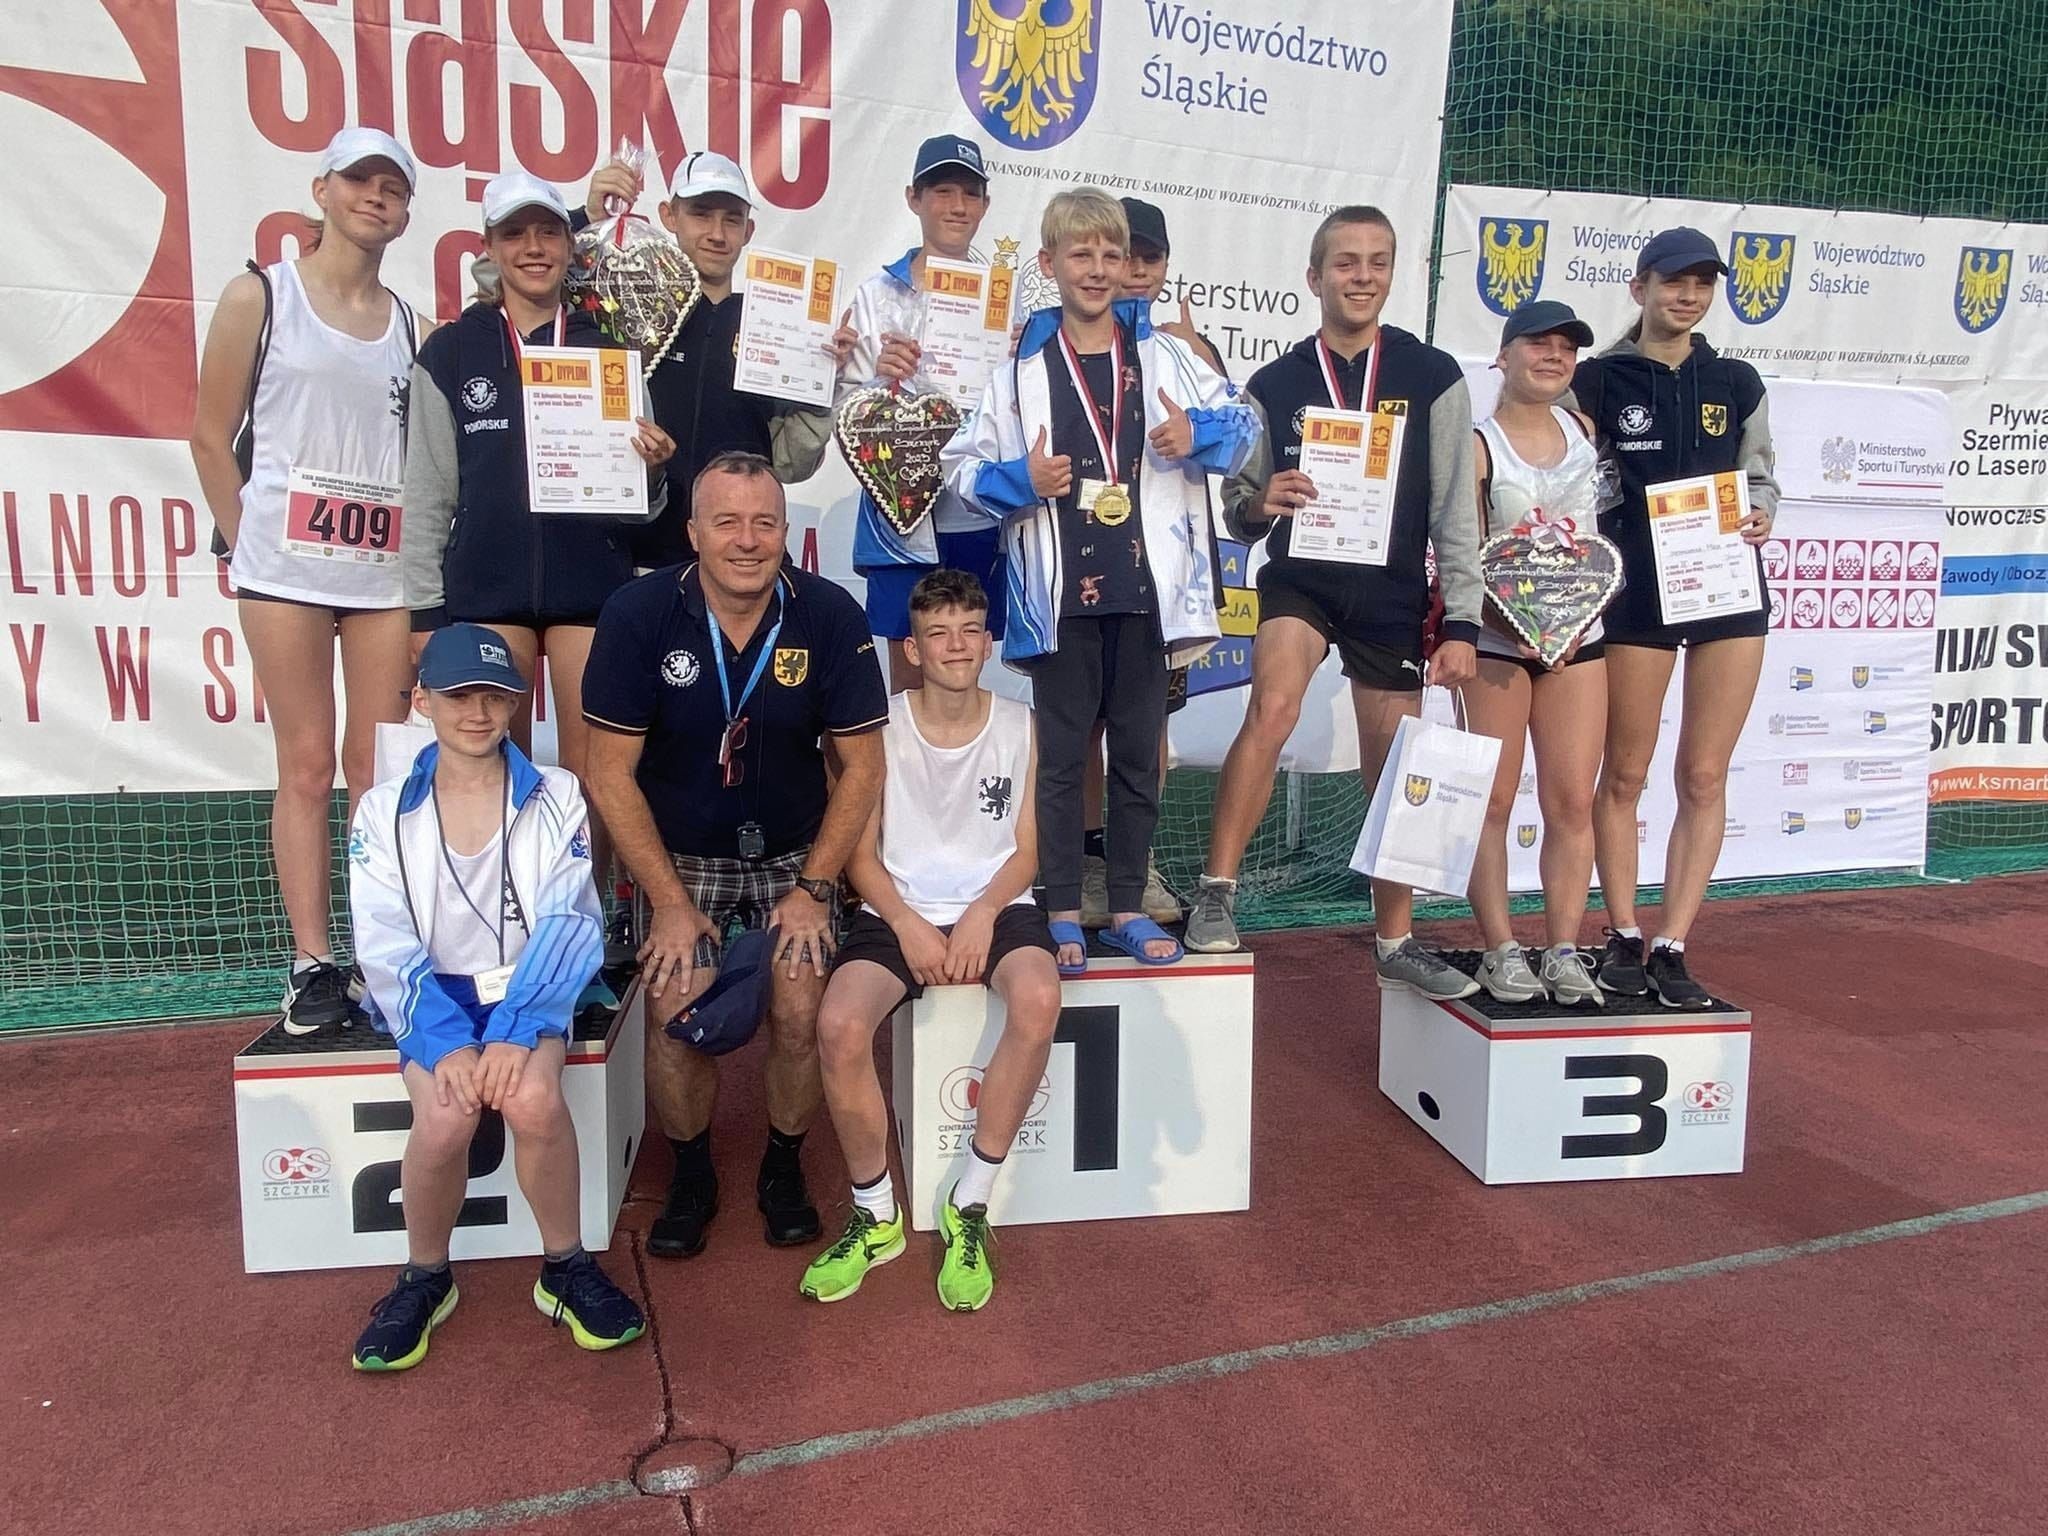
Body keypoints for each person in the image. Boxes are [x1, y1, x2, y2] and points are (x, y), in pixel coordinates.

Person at [943, 187, 1259, 976]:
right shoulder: (1020, 370)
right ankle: (1059, 909)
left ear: (1127, 266)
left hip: (1149, 592)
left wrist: (1197, 432)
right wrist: (1019, 480)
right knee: (1059, 760)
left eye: (1110, 255)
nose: (1096, 269)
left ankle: (1125, 906)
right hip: (1060, 596)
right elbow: (960, 475)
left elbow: (1246, 423)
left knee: (1139, 759)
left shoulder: (1166, 356)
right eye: (1079, 254)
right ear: (1048, 263)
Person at [581, 453, 888, 1258]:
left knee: (801, 1008)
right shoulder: (637, 613)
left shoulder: (830, 613)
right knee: (677, 1011)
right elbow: (608, 775)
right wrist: (669, 904)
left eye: (764, 523)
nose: (747, 541)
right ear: (692, 533)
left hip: (795, 854)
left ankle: (782, 1165)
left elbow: (863, 769)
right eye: (727, 522)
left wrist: (816, 887)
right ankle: (692, 1174)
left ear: (786, 531)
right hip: (680, 855)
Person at [1182, 206, 1483, 1004]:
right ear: (1315, 277)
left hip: (1390, 590)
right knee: (1273, 706)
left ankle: (1395, 939)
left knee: (1393, 762)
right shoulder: (1275, 383)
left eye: (1378, 262)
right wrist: (1261, 503)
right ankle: (1216, 893)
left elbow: (1456, 509)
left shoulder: (1432, 375)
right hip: (1303, 579)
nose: (1363, 276)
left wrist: (1461, 619)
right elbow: (1240, 509)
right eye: (1346, 262)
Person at [346, 624, 643, 1371]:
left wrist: (517, 1028)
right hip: (432, 995)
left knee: (534, 1101)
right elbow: (382, 941)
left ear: (516, 704)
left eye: (494, 696)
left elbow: (571, 921)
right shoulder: (382, 809)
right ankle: (425, 1276)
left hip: (527, 988)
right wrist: (447, 1042)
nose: (477, 713)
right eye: (458, 696)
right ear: (424, 702)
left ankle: (565, 1267)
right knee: (447, 1117)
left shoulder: (558, 793)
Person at [401, 170, 675, 955]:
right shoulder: (451, 352)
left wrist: (654, 472)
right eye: (515, 233)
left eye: (547, 232)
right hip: (487, 590)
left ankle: (591, 920)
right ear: (490, 247)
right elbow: (427, 492)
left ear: (568, 245)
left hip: (591, 587)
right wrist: (425, 613)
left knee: (598, 768)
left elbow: (641, 509)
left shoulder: (609, 351)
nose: (533, 248)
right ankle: (503, 924)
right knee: (493, 761)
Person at [189, 127, 425, 1034]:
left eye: (393, 186)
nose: (376, 195)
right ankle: (311, 963)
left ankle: (377, 952)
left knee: (375, 771)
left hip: (381, 576)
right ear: (322, 190)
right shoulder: (261, 294)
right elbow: (210, 435)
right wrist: (250, 545)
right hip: (284, 577)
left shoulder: (409, 325)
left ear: (406, 212)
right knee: (306, 765)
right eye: (359, 179)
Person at [800, 569, 1060, 1312]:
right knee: (838, 1025)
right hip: (897, 908)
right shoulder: (877, 726)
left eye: (970, 630)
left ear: (989, 642)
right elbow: (857, 855)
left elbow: (1028, 851)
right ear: (911, 649)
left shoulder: (1023, 724)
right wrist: (908, 922)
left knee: (1039, 999)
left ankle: (970, 1200)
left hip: (996, 904)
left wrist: (982, 913)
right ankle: (874, 1213)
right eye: (938, 634)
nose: (956, 646)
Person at [1570, 228, 1778, 1008]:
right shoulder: (1596, 379)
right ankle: (1623, 931)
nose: (1687, 296)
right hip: (1637, 590)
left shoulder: (1736, 380)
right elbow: (1566, 476)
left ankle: (1673, 942)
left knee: (1704, 774)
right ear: (1640, 288)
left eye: (1701, 284)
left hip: (1726, 585)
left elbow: (1760, 476)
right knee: (1625, 772)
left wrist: (1761, 512)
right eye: (1673, 282)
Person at [1076, 196, 1227, 929]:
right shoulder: (1058, 341)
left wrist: (1203, 375)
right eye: (1120, 253)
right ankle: (1086, 858)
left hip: (1166, 574)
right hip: (1087, 561)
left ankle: (1136, 859)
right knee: (1081, 724)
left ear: (1165, 267)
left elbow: (1239, 438)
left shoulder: (1186, 353)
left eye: (1148, 256)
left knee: (1148, 726)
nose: (1134, 269)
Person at [579, 151, 834, 571]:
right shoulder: (626, 308)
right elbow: (514, 286)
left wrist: (819, 382)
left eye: (732, 219)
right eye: (701, 214)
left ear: (748, 230)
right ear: (669, 216)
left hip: (740, 562)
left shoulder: (773, 324)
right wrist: (586, 219)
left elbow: (792, 464)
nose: (717, 234)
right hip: (639, 557)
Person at [1460, 301, 1610, 1007]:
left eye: (1566, 348)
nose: (1553, 357)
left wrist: (1572, 622)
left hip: (1580, 642)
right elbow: (1462, 552)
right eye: (1538, 344)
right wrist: (1514, 620)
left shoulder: (1585, 433)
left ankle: (1563, 949)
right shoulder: (1479, 445)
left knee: (1573, 800)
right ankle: (1500, 949)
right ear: (1503, 356)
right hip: (1498, 641)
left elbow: (1594, 550)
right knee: (1491, 801)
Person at [835, 135, 1010, 693]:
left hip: (978, 514)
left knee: (965, 669)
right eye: (942, 191)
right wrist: (875, 378)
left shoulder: (1005, 300)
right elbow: (843, 413)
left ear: (985, 205)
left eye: (970, 194)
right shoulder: (875, 294)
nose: (957, 206)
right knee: (908, 681)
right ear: (914, 198)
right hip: (899, 517)